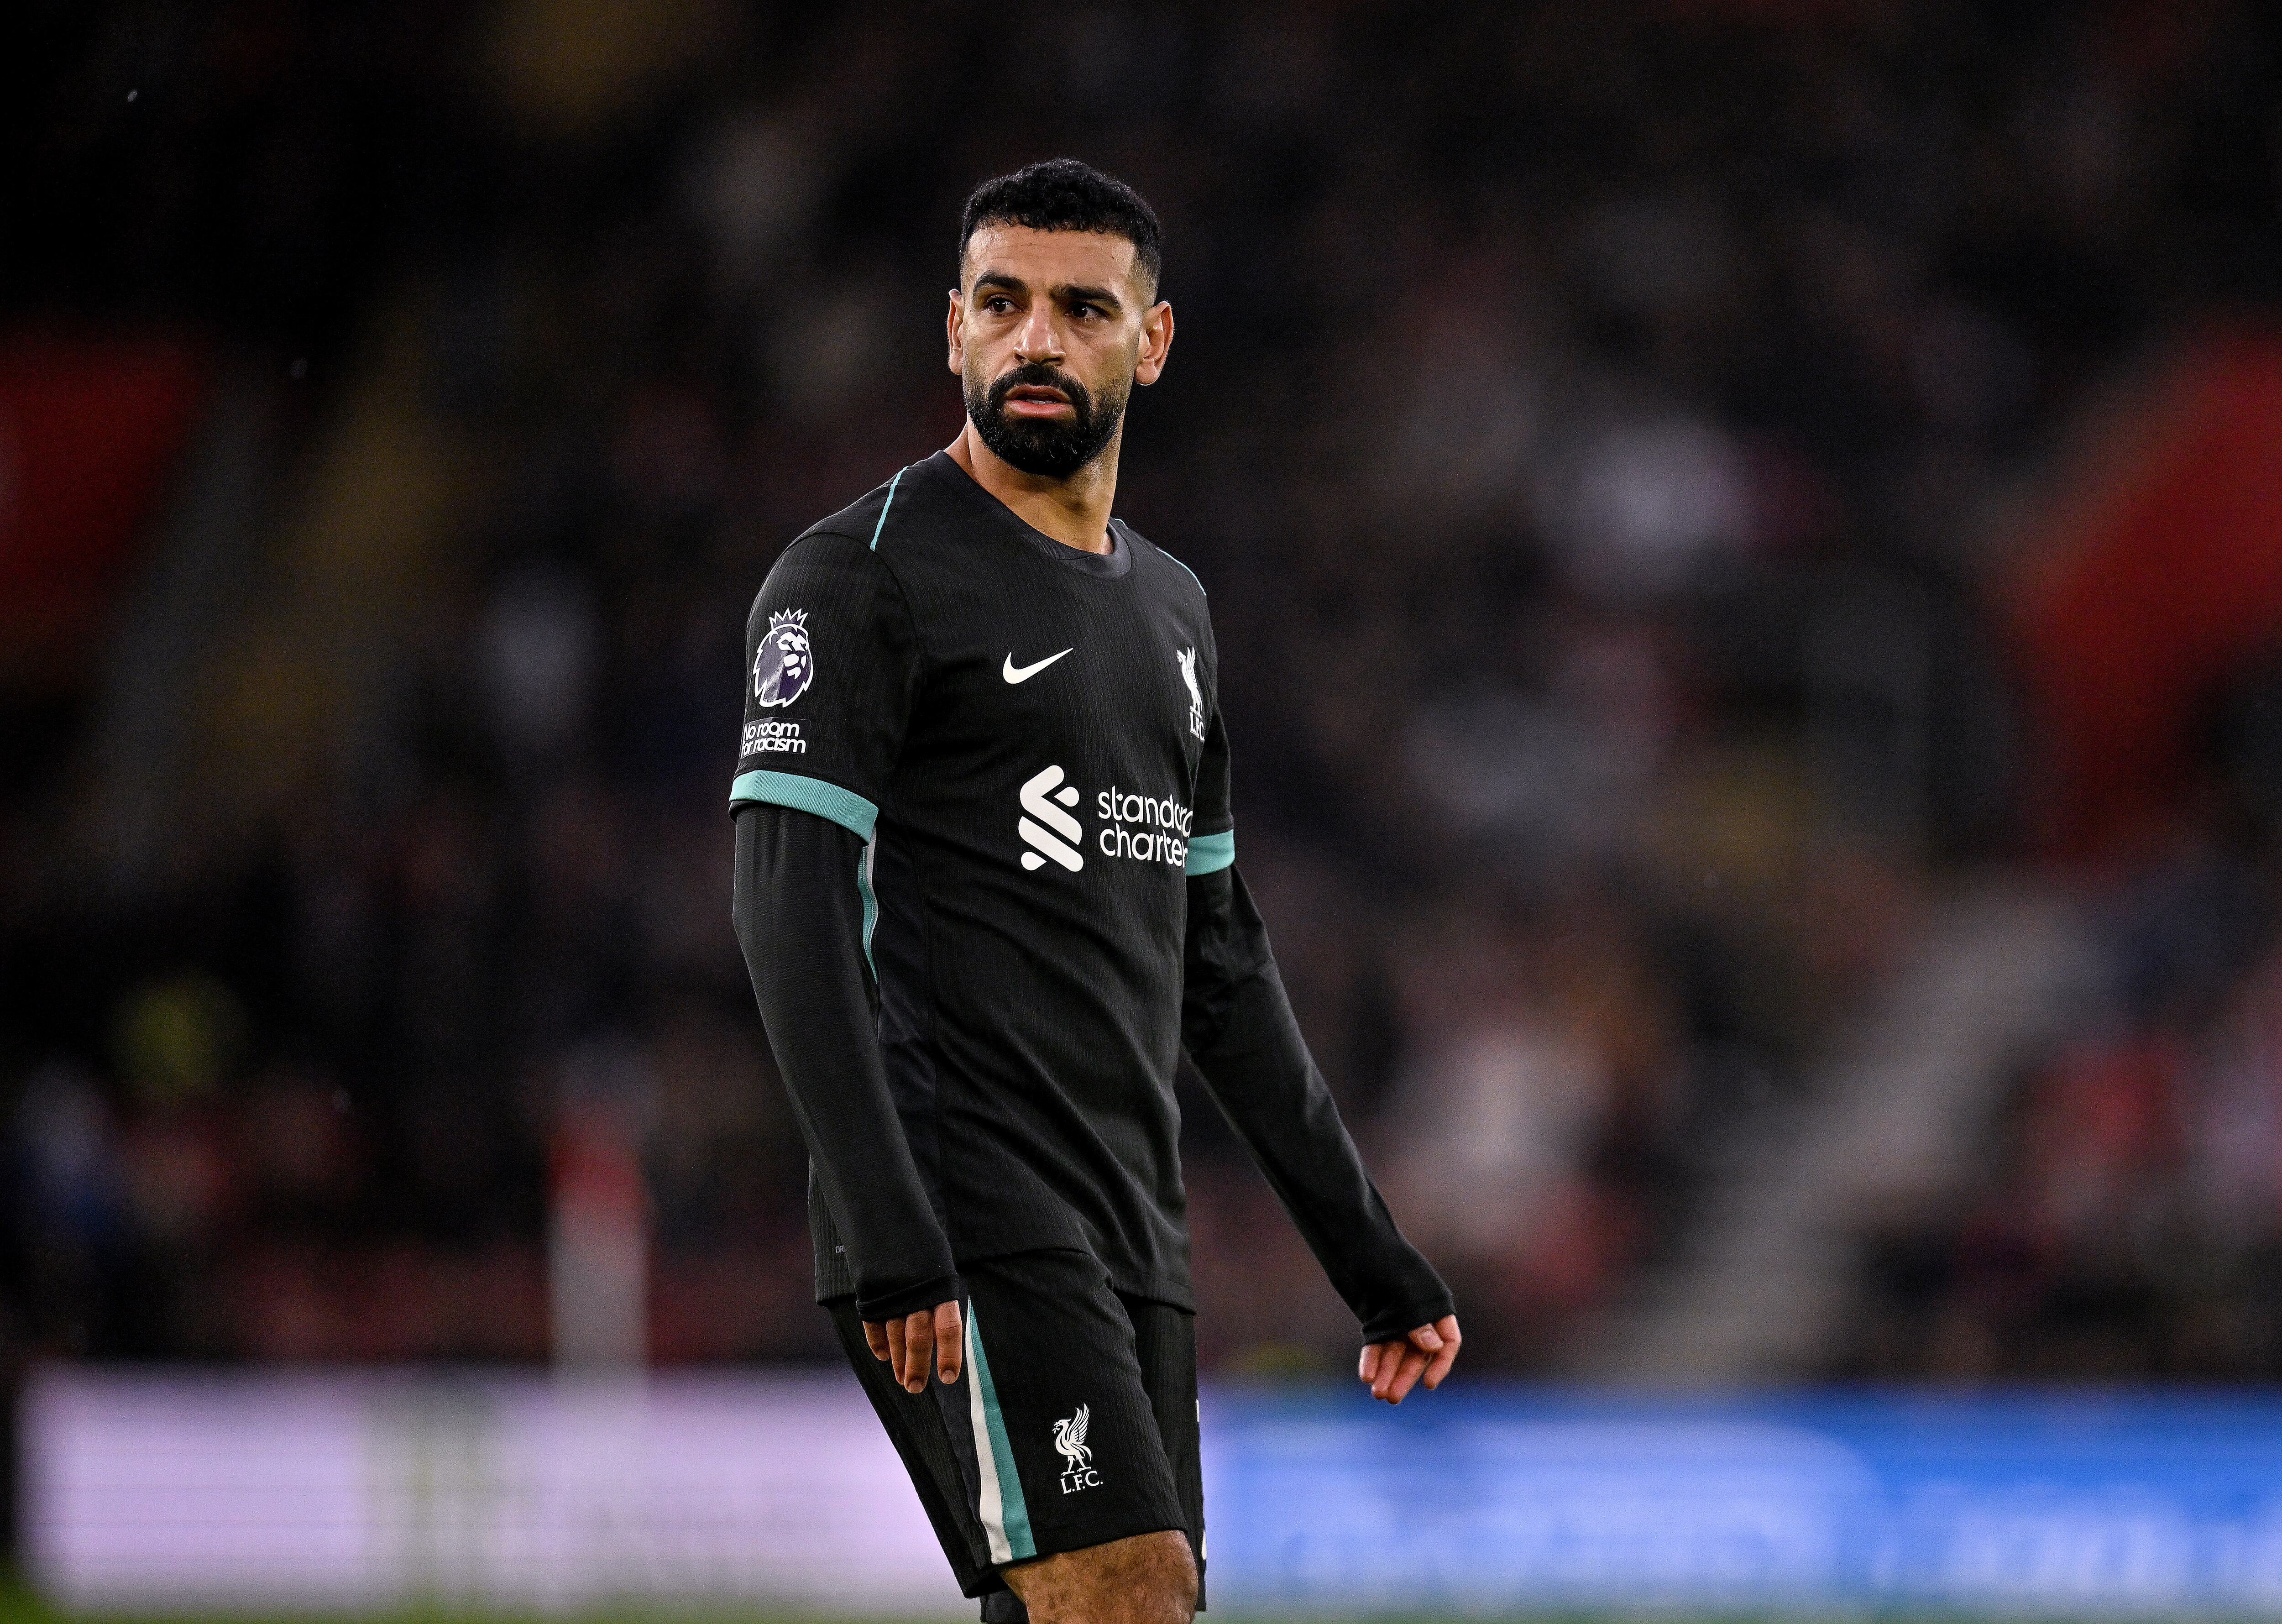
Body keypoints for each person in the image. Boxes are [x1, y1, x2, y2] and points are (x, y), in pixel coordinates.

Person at [731, 158, 1458, 1624]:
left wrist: (1367, 1253)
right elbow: (786, 907)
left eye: (1081, 308)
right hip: (960, 1189)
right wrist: (889, 1223)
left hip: (1132, 1208)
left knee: (1119, 1607)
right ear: (952, 330)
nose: (1036, 341)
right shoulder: (858, 579)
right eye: (1002, 304)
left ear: (1155, 339)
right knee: (1126, 1593)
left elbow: (1222, 969)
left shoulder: (1175, 612)